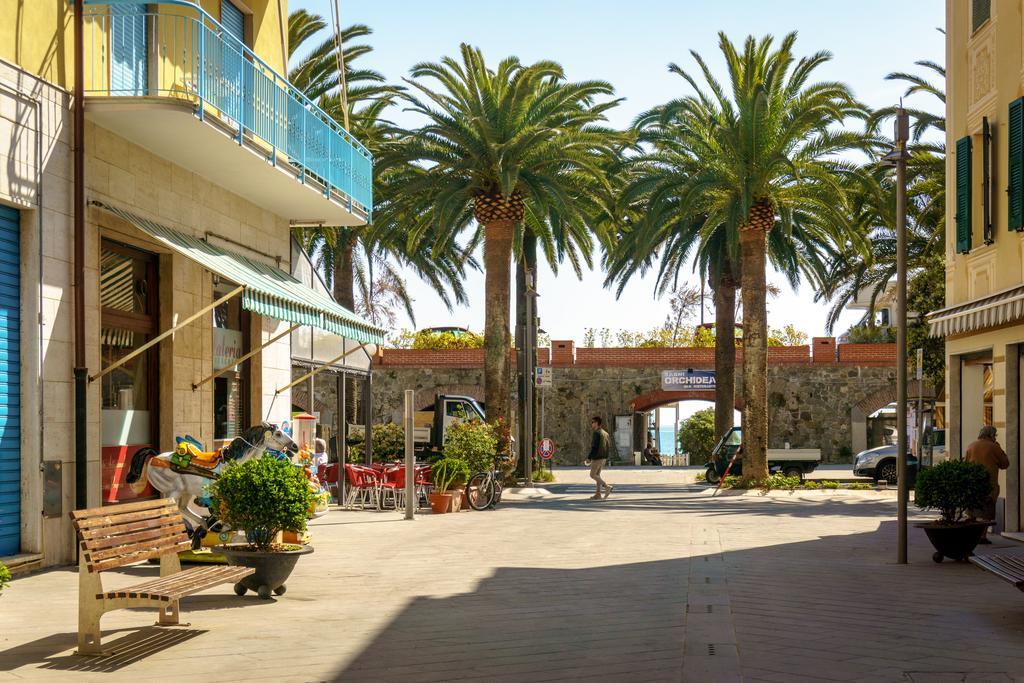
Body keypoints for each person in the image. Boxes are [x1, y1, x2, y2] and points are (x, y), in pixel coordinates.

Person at [965, 425, 1010, 544]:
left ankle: (970, 535)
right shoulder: (994, 447)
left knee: (971, 513)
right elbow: (1005, 464)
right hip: (988, 486)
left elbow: (965, 465)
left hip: (973, 484)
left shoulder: (971, 446)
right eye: (994, 435)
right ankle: (982, 536)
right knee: (987, 514)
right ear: (991, 435)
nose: (995, 437)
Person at [584, 416, 613, 499]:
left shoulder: (596, 433)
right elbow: (608, 446)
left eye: (592, 422)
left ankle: (607, 487)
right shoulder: (605, 433)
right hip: (604, 457)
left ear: (597, 423)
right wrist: (606, 457)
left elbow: (594, 447)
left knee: (592, 475)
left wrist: (589, 457)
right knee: (597, 475)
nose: (591, 424)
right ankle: (598, 494)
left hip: (597, 457)